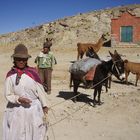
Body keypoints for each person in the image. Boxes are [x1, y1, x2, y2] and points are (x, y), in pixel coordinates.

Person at [3, 44, 49, 140]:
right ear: (14, 59)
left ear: (27, 60)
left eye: (24, 59)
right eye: (18, 59)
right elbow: (8, 94)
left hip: (33, 110)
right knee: (17, 134)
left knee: (35, 132)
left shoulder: (33, 73)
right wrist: (18, 99)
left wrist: (44, 105)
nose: (21, 61)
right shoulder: (10, 76)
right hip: (17, 110)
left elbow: (40, 91)